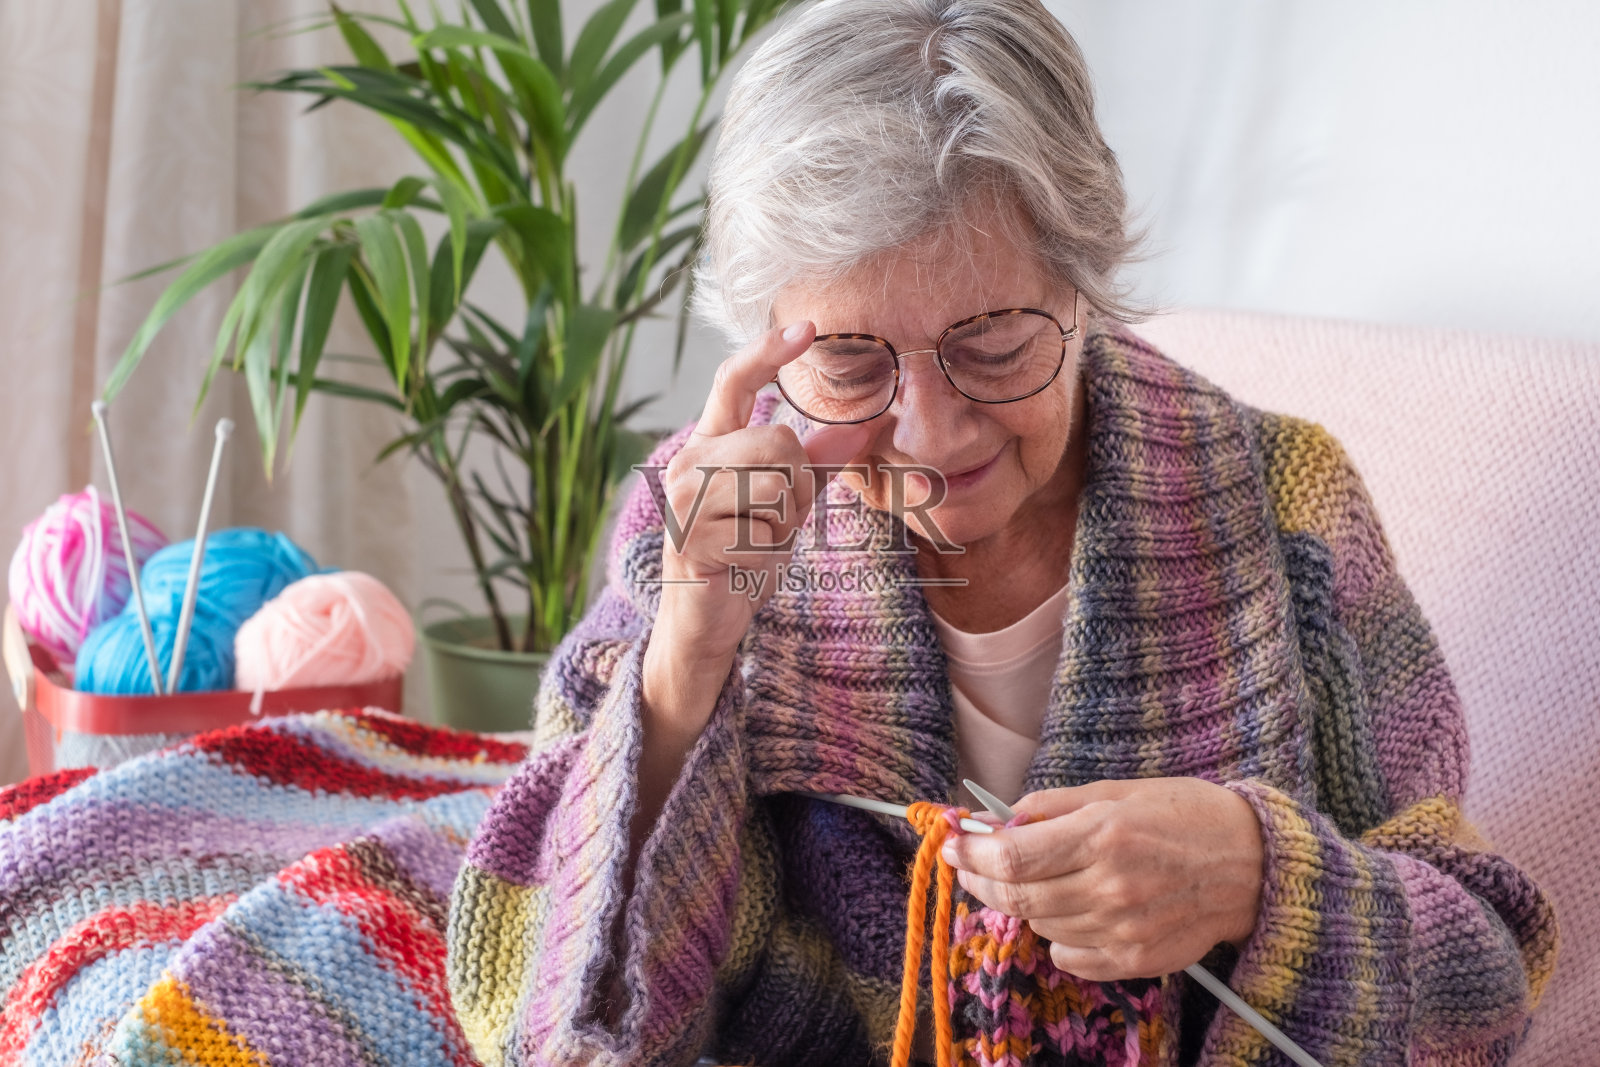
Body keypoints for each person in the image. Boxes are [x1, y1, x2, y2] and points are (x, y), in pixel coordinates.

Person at [446, 1, 1559, 1064]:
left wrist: (1259, 878)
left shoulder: (1286, 509)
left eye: (992, 343)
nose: (928, 429)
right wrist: (689, 651)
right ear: (770, 345)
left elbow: (1487, 978)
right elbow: (550, 1021)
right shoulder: (705, 516)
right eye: (849, 361)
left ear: (1086, 287)